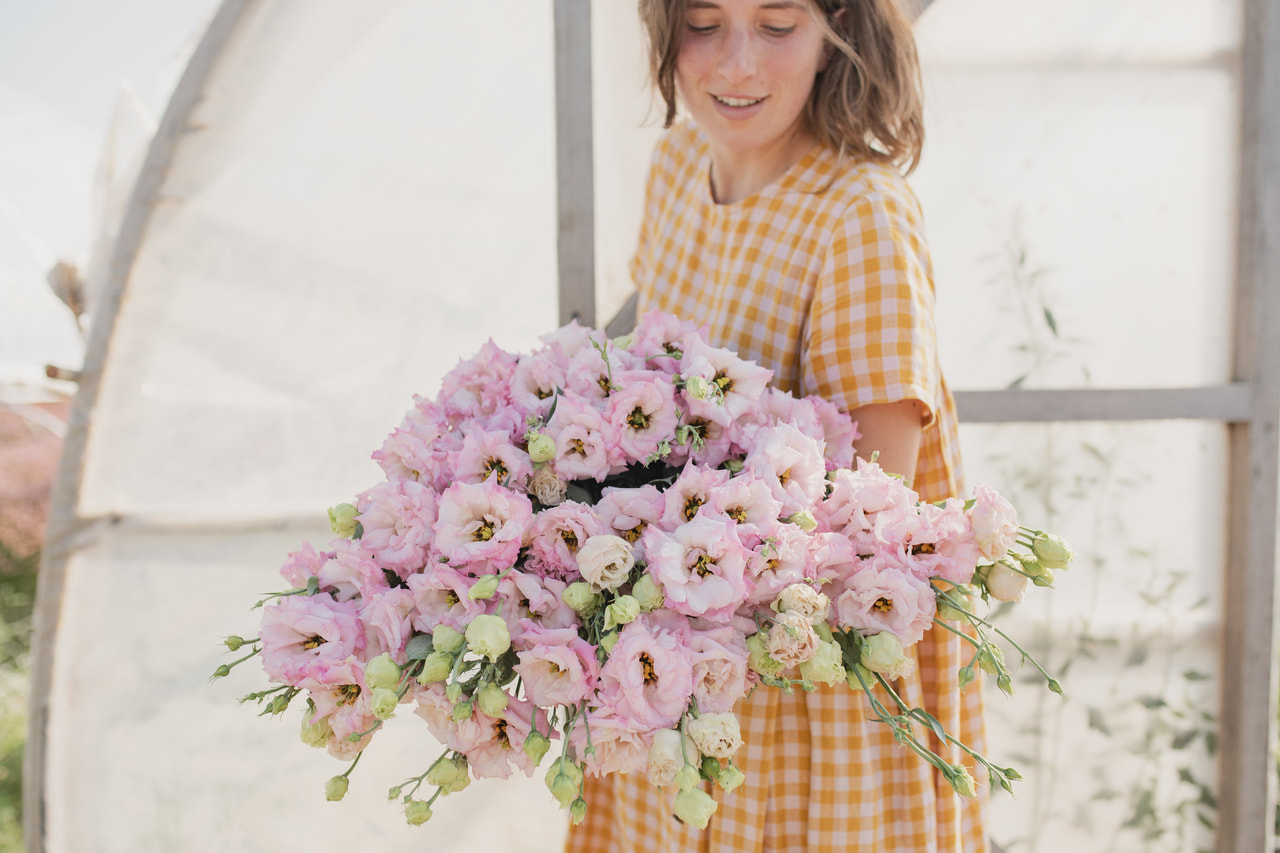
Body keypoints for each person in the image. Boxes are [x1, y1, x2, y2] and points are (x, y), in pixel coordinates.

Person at [565, 0, 987, 851]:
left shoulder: (859, 215)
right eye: (706, 21)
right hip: (674, 684)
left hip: (800, 703)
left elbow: (872, 517)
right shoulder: (679, 166)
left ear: (839, 34)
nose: (737, 64)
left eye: (778, 24)